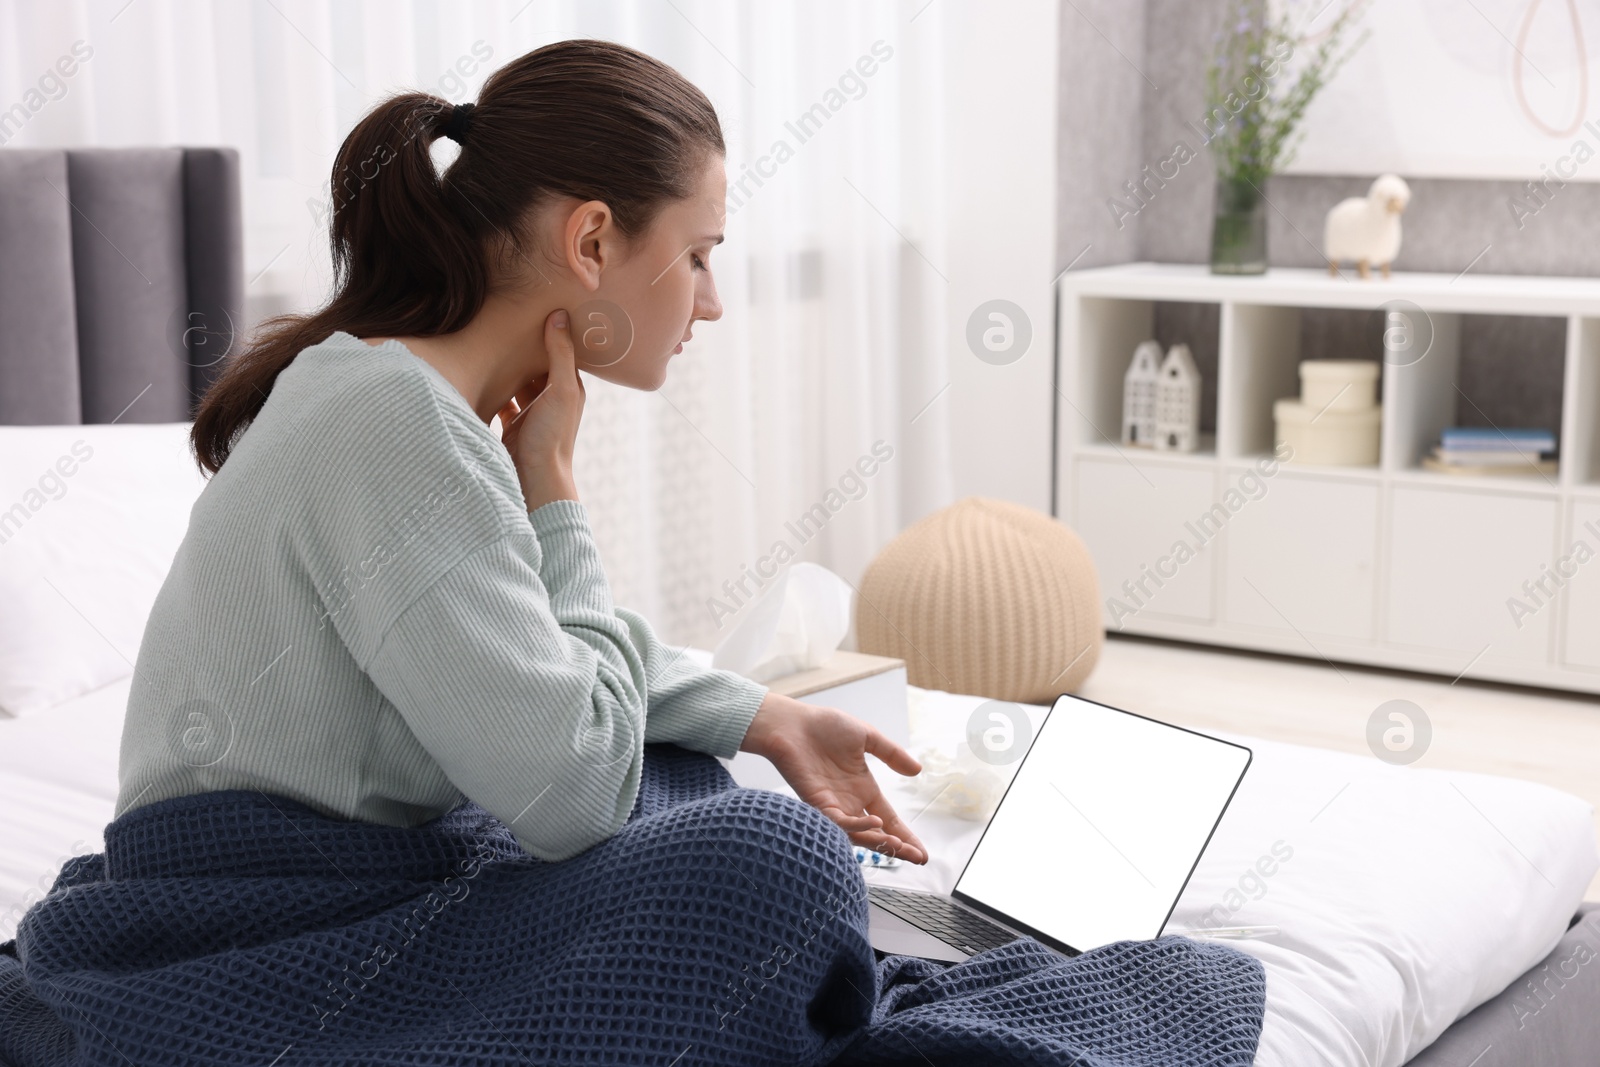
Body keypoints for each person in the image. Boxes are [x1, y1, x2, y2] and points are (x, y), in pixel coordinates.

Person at [118, 38, 929, 869]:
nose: (711, 303)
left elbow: (533, 645)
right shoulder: (396, 421)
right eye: (697, 256)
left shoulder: (399, 395)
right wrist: (555, 490)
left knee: (690, 778)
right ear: (591, 244)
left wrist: (765, 714)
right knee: (769, 853)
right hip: (246, 906)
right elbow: (577, 795)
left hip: (313, 871)